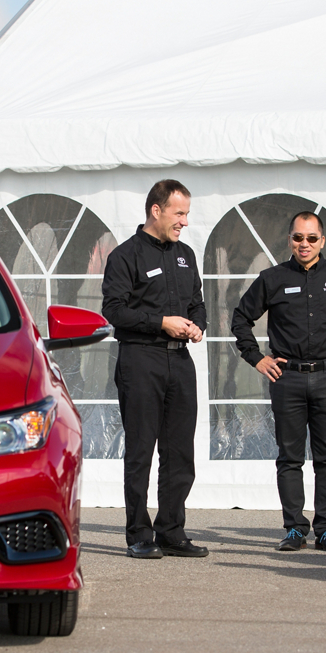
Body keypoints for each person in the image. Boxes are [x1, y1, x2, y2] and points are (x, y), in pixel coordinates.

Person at [231, 211, 326, 552]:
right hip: (288, 379)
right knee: (290, 457)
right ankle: (295, 528)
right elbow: (240, 318)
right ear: (289, 240)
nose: (305, 244)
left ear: (322, 241)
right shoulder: (272, 278)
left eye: (311, 238)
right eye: (298, 237)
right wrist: (257, 358)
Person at [101, 179, 209, 559]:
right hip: (140, 359)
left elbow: (197, 302)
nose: (184, 222)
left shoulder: (186, 255)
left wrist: (198, 324)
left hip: (180, 361)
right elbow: (113, 310)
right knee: (142, 450)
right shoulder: (125, 256)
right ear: (156, 210)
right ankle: (138, 533)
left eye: (187, 214)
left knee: (180, 452)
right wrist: (161, 322)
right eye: (179, 213)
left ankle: (171, 530)